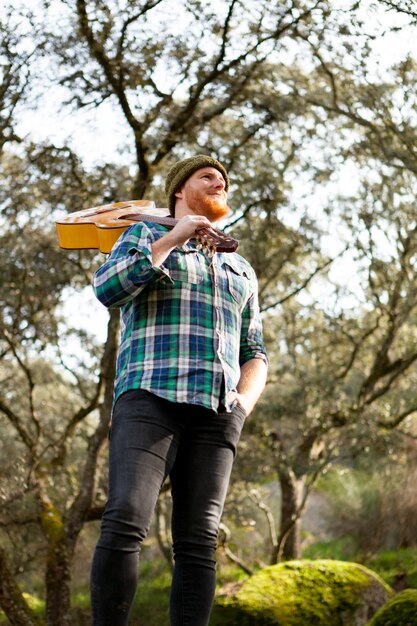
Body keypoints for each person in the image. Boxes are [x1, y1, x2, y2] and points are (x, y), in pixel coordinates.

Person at [90, 155, 268, 626]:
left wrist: (242, 406)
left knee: (199, 538)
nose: (219, 182)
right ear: (178, 191)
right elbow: (108, 289)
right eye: (207, 176)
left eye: (224, 180)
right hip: (150, 396)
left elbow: (256, 350)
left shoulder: (241, 268)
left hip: (216, 411)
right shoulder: (144, 236)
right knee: (127, 514)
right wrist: (172, 238)